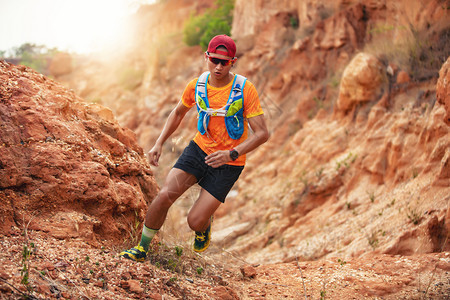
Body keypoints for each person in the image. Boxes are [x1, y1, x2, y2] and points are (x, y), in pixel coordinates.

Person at [120, 34, 269, 262]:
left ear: (233, 61)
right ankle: (142, 249)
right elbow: (179, 112)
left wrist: (232, 153)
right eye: (214, 60)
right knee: (164, 195)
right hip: (198, 151)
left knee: (194, 221)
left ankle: (203, 224)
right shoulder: (197, 85)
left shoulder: (244, 89)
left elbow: (262, 133)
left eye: (224, 62)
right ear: (206, 57)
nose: (218, 67)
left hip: (229, 162)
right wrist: (159, 142)